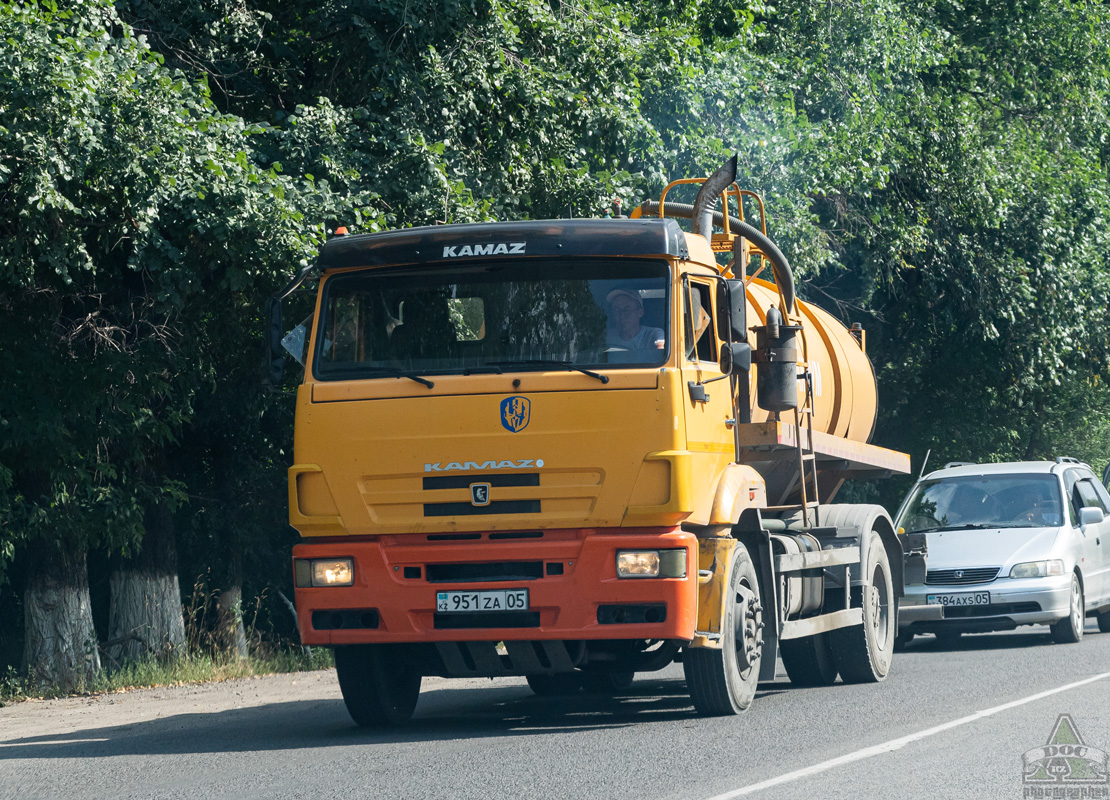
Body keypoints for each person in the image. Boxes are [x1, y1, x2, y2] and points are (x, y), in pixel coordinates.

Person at [605, 289, 664, 354]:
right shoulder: (607, 336)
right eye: (617, 310)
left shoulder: (653, 335)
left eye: (626, 310)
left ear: (640, 312)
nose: (622, 315)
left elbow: (661, 351)